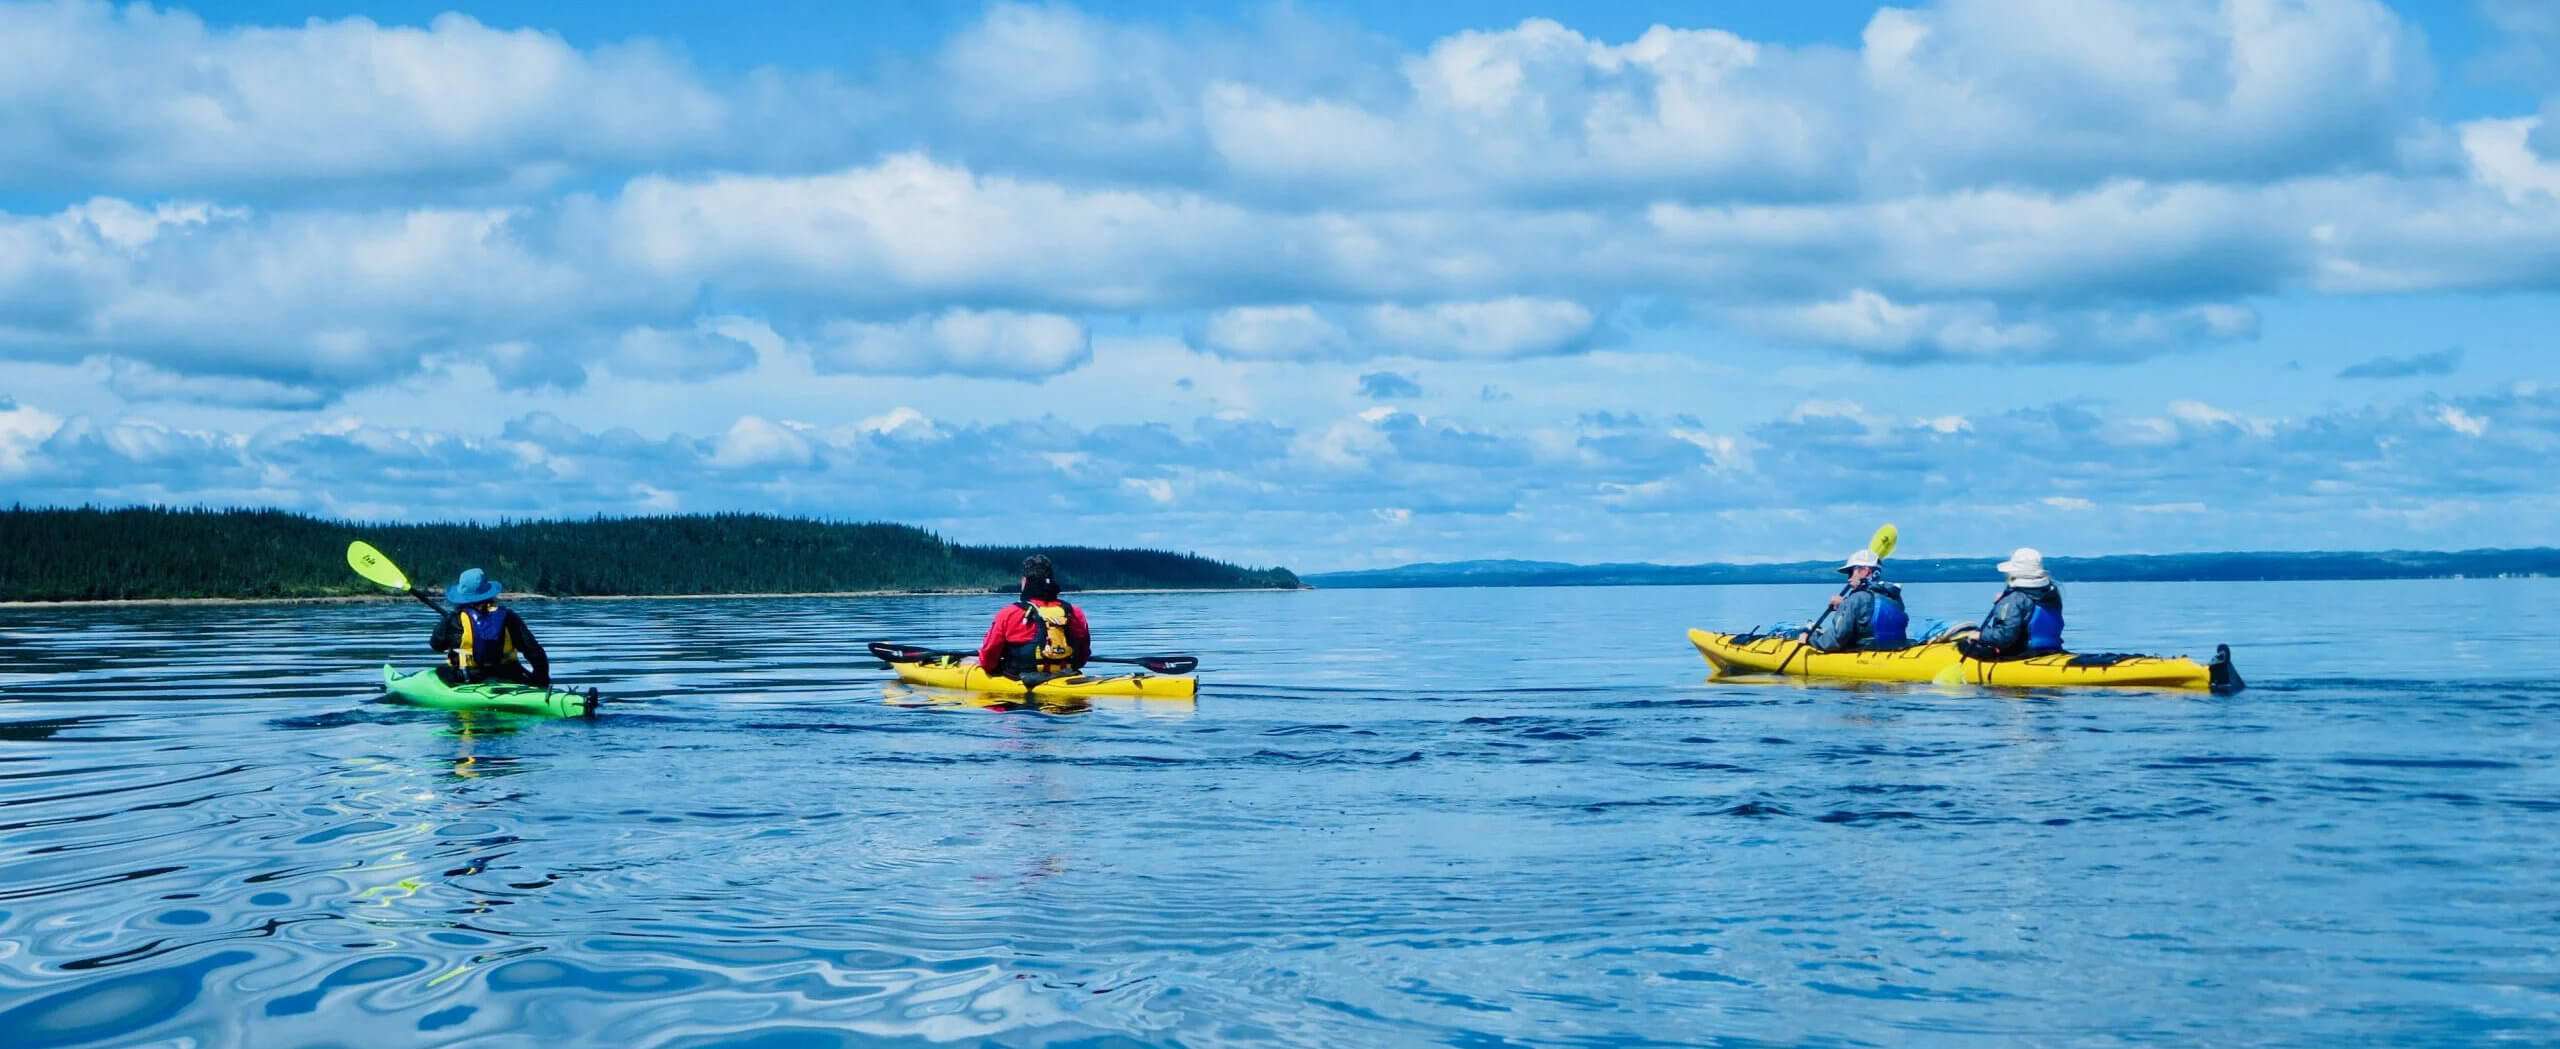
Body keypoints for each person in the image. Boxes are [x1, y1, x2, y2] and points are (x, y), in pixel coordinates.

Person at [428, 568, 550, 686]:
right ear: (489, 594)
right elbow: (534, 651)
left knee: (441, 671)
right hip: (509, 675)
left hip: (469, 677)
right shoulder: (509, 617)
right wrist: (541, 679)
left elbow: (436, 645)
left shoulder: (453, 619)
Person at [977, 554, 1090, 679]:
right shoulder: (1076, 613)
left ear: (1025, 581)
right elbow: (1082, 658)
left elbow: (988, 662)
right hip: (1067, 676)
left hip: (1023, 685)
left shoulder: (1009, 614)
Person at [1955, 547, 2064, 661]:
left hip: (2020, 654)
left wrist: (1979, 635)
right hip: (2052, 649)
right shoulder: (2051, 594)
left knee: (1963, 646)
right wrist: (2004, 602)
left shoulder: (2013, 600)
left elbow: (2004, 637)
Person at [1802, 548, 1911, 652]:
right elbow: (1867, 612)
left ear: (1866, 572)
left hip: (1865, 651)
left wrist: (1810, 638)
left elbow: (1834, 641)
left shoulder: (1856, 599)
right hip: (1893, 647)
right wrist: (1844, 604)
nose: (1849, 579)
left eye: (1850, 572)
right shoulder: (1894, 597)